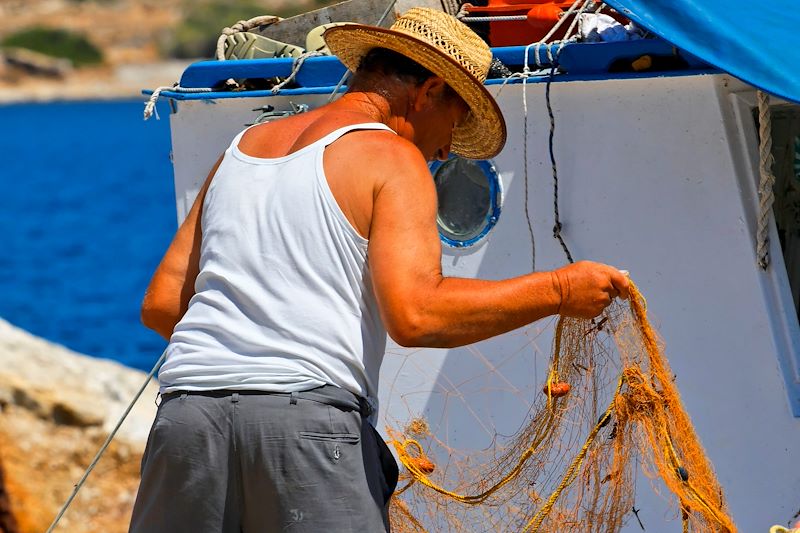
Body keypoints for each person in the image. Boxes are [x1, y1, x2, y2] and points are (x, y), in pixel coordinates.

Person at [129, 7, 629, 533]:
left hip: (185, 422)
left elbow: (162, 305)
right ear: (430, 91)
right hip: (304, 427)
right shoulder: (391, 155)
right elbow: (416, 315)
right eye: (454, 125)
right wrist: (557, 289)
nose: (443, 150)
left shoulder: (242, 149)